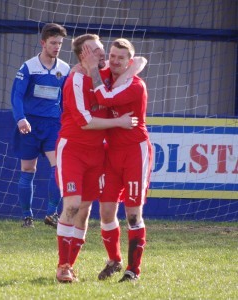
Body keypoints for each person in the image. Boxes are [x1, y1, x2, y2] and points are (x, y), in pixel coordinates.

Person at [55, 34, 144, 283]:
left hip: (99, 154)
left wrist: (133, 65)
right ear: (82, 54)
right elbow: (84, 122)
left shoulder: (104, 72)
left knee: (85, 210)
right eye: (95, 50)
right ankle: (62, 266)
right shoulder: (76, 79)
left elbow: (138, 61)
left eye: (101, 48)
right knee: (72, 206)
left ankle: (70, 266)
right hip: (73, 149)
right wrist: (120, 122)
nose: (103, 54)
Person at [82, 38, 152, 282]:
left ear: (128, 61)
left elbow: (105, 99)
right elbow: (78, 71)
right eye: (112, 56)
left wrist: (135, 68)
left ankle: (134, 270)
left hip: (134, 151)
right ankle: (115, 260)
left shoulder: (136, 85)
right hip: (111, 153)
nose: (114, 61)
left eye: (121, 58)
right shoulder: (108, 76)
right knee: (106, 210)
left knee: (133, 214)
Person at [11, 23, 70, 228]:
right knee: (28, 169)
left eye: (60, 43)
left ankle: (52, 213)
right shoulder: (28, 67)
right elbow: (17, 95)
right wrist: (20, 118)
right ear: (43, 43)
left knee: (60, 168)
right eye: (53, 43)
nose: (57, 47)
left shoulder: (64, 69)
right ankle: (27, 217)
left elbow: (65, 100)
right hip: (30, 124)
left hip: (53, 124)